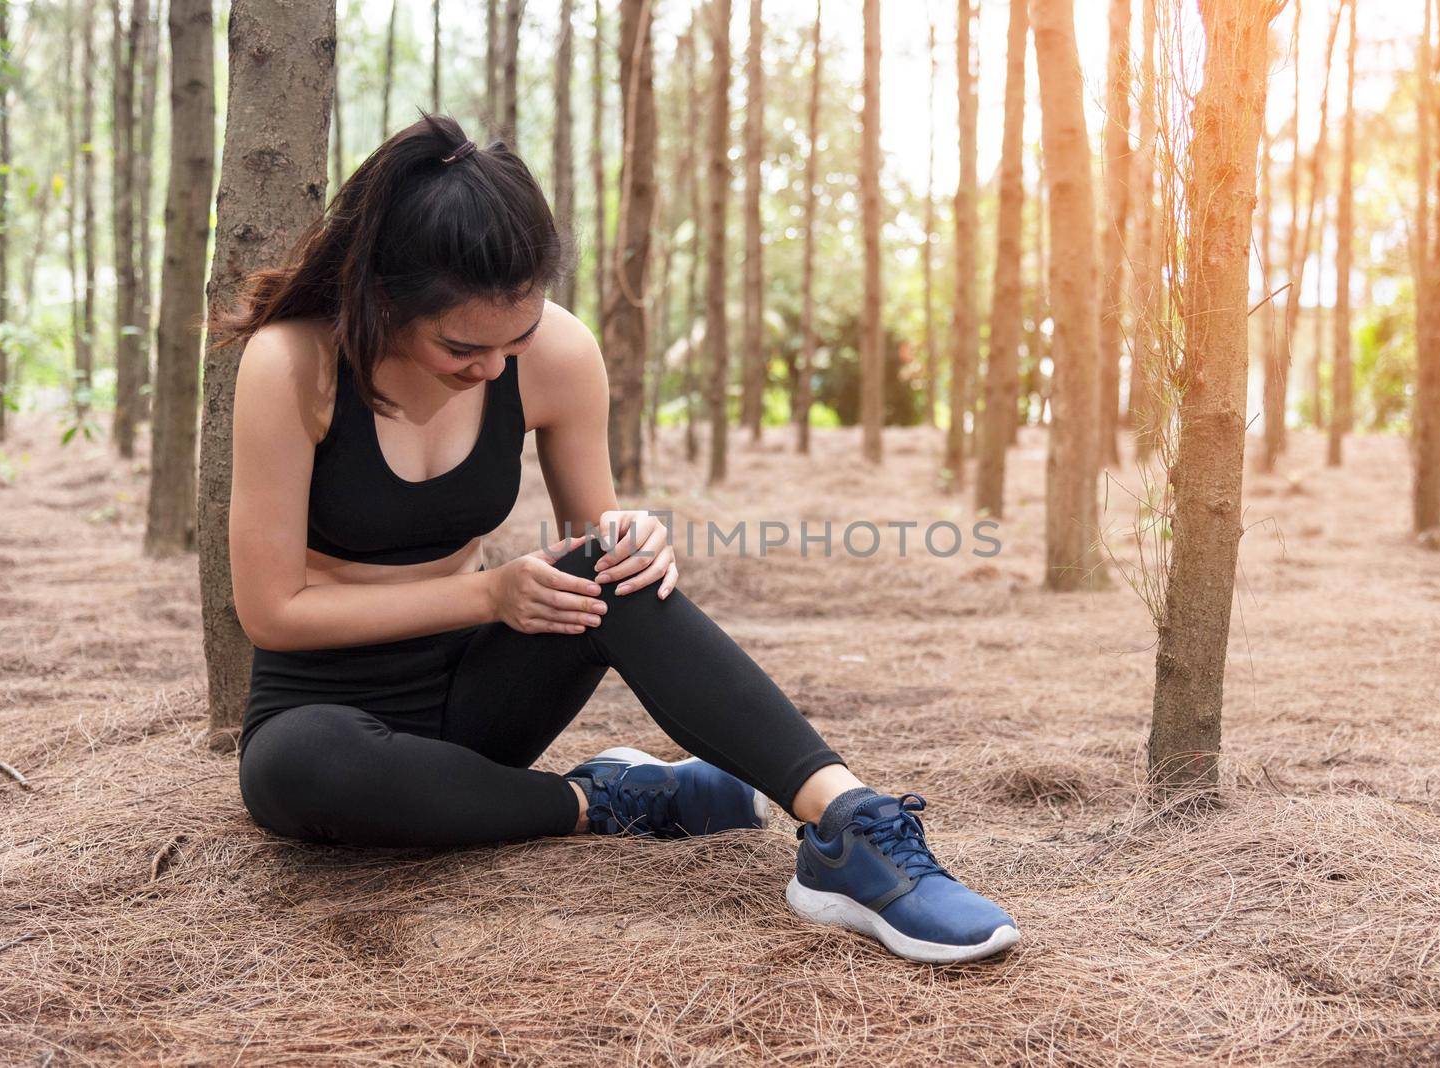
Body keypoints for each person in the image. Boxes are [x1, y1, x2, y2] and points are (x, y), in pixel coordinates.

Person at [217, 113, 1019, 965]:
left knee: (610, 568)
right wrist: (487, 593)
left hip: (479, 705)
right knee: (298, 769)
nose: (492, 368)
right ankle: (607, 801)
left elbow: (591, 541)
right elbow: (272, 611)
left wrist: (632, 539)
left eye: (513, 339)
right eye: (461, 347)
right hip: (323, 710)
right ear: (385, 296)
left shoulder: (558, 353)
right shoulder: (294, 364)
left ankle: (847, 823)